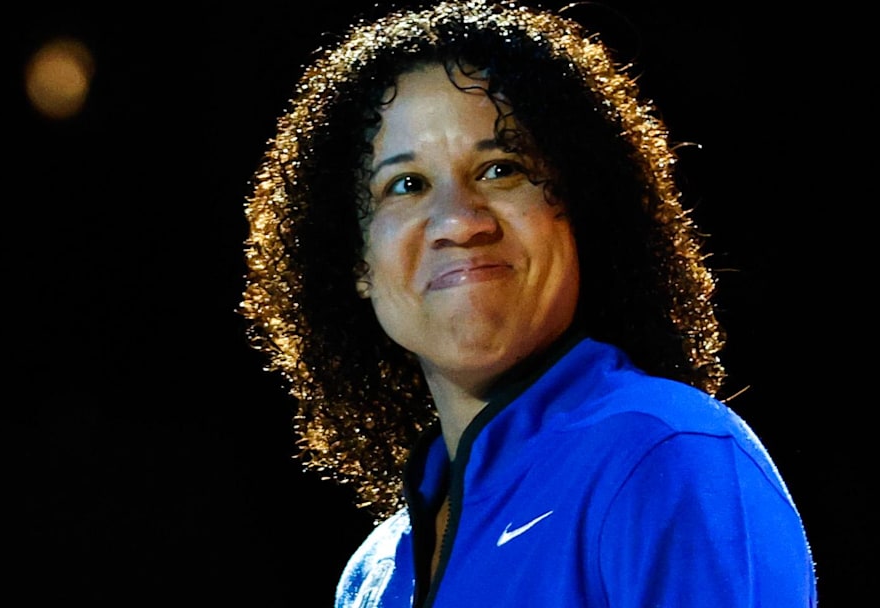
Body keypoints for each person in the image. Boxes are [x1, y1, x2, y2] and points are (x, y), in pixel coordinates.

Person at [239, 0, 817, 605]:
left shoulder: (663, 454)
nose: (459, 222)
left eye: (500, 169)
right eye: (406, 185)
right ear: (356, 263)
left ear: (578, 206)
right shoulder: (373, 577)